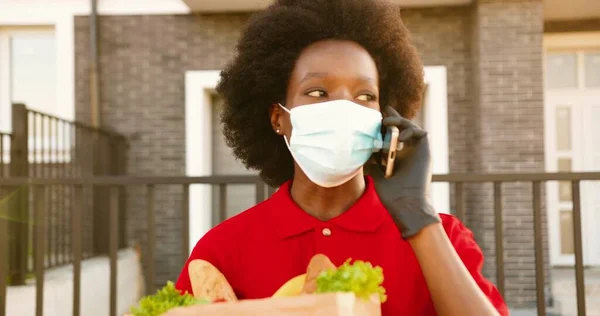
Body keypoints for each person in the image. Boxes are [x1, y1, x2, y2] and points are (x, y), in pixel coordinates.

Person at [175, 0, 508, 315]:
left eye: (365, 95)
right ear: (279, 118)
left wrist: (417, 215)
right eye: (318, 92)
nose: (344, 107)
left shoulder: (441, 239)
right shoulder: (223, 250)